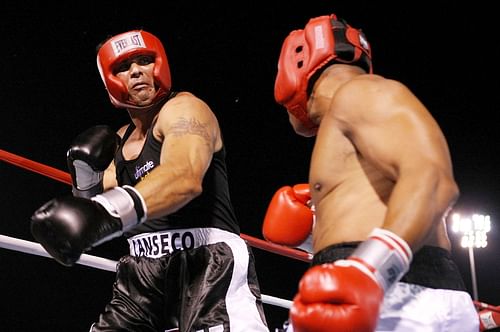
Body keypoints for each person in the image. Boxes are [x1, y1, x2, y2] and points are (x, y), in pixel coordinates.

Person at [30, 29, 268, 332]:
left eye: (144, 60)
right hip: (140, 274)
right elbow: (89, 214)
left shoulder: (184, 109)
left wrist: (105, 211)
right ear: (110, 82)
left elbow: (184, 176)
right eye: (123, 67)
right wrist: (85, 181)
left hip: (206, 263)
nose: (137, 71)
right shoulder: (119, 141)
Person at [265, 13, 480, 331]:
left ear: (296, 63)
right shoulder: (349, 119)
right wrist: (315, 236)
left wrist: (370, 270)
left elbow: (434, 180)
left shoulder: (358, 93)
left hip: (395, 296)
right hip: (390, 288)